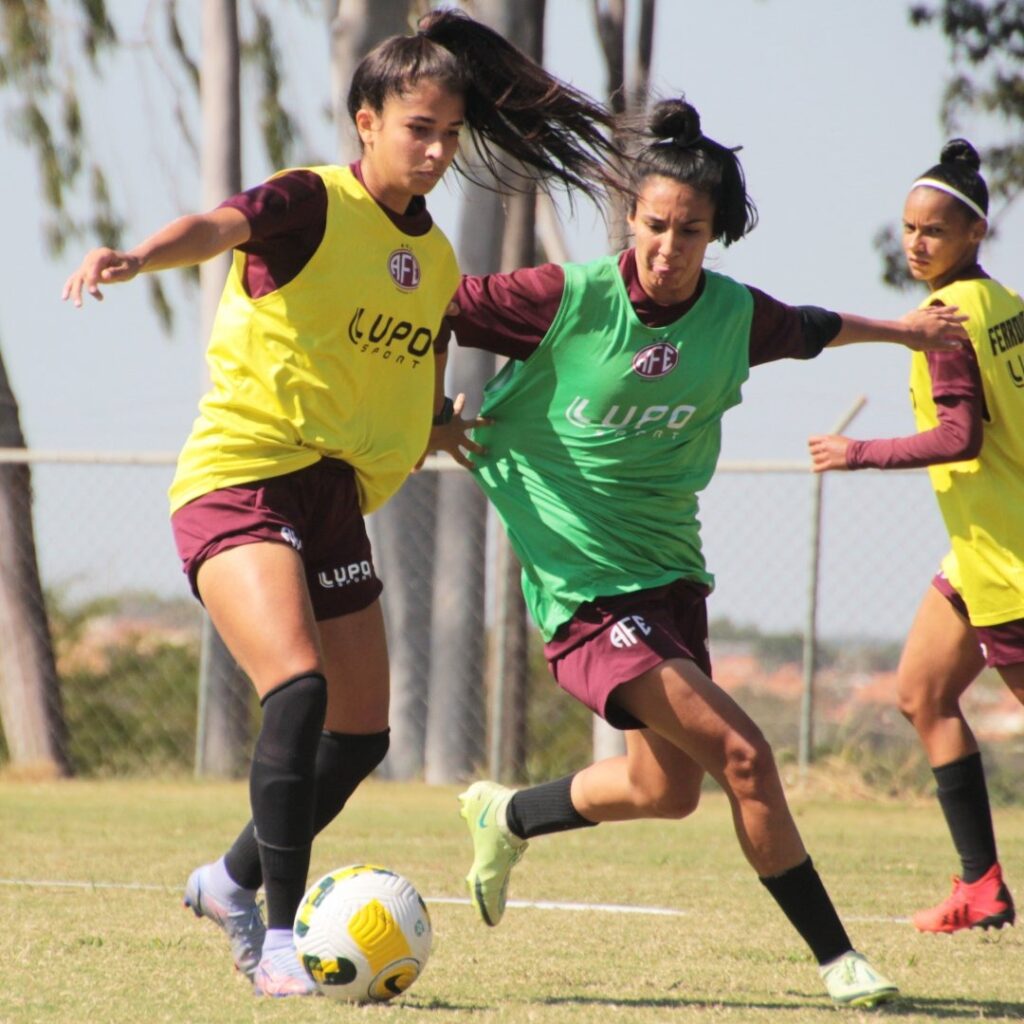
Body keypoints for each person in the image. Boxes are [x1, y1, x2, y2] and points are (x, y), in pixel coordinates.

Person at [61, 8, 625, 998]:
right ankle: (280, 938)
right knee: (298, 687)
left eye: (451, 131)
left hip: (332, 497)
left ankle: (227, 878)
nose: (439, 148)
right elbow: (216, 226)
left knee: (363, 730)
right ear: (366, 120)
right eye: (419, 127)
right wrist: (140, 256)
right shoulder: (310, 203)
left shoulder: (439, 261)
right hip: (241, 475)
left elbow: (414, 375)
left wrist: (438, 425)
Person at [444, 98, 970, 1009]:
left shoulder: (732, 316)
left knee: (664, 787)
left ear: (716, 233)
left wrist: (906, 331)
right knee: (745, 757)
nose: (667, 246)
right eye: (654, 225)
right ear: (631, 222)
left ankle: (507, 813)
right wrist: (424, 414)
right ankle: (839, 960)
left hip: (670, 575)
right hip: (585, 590)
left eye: (690, 230)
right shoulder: (567, 300)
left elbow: (809, 326)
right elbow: (428, 309)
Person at [809, 139, 1021, 935]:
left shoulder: (946, 323)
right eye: (908, 228)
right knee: (921, 694)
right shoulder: (1006, 306)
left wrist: (855, 453)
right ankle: (983, 887)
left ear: (974, 233)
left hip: (1009, 563)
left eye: (935, 230)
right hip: (976, 556)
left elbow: (961, 436)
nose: (916, 243)